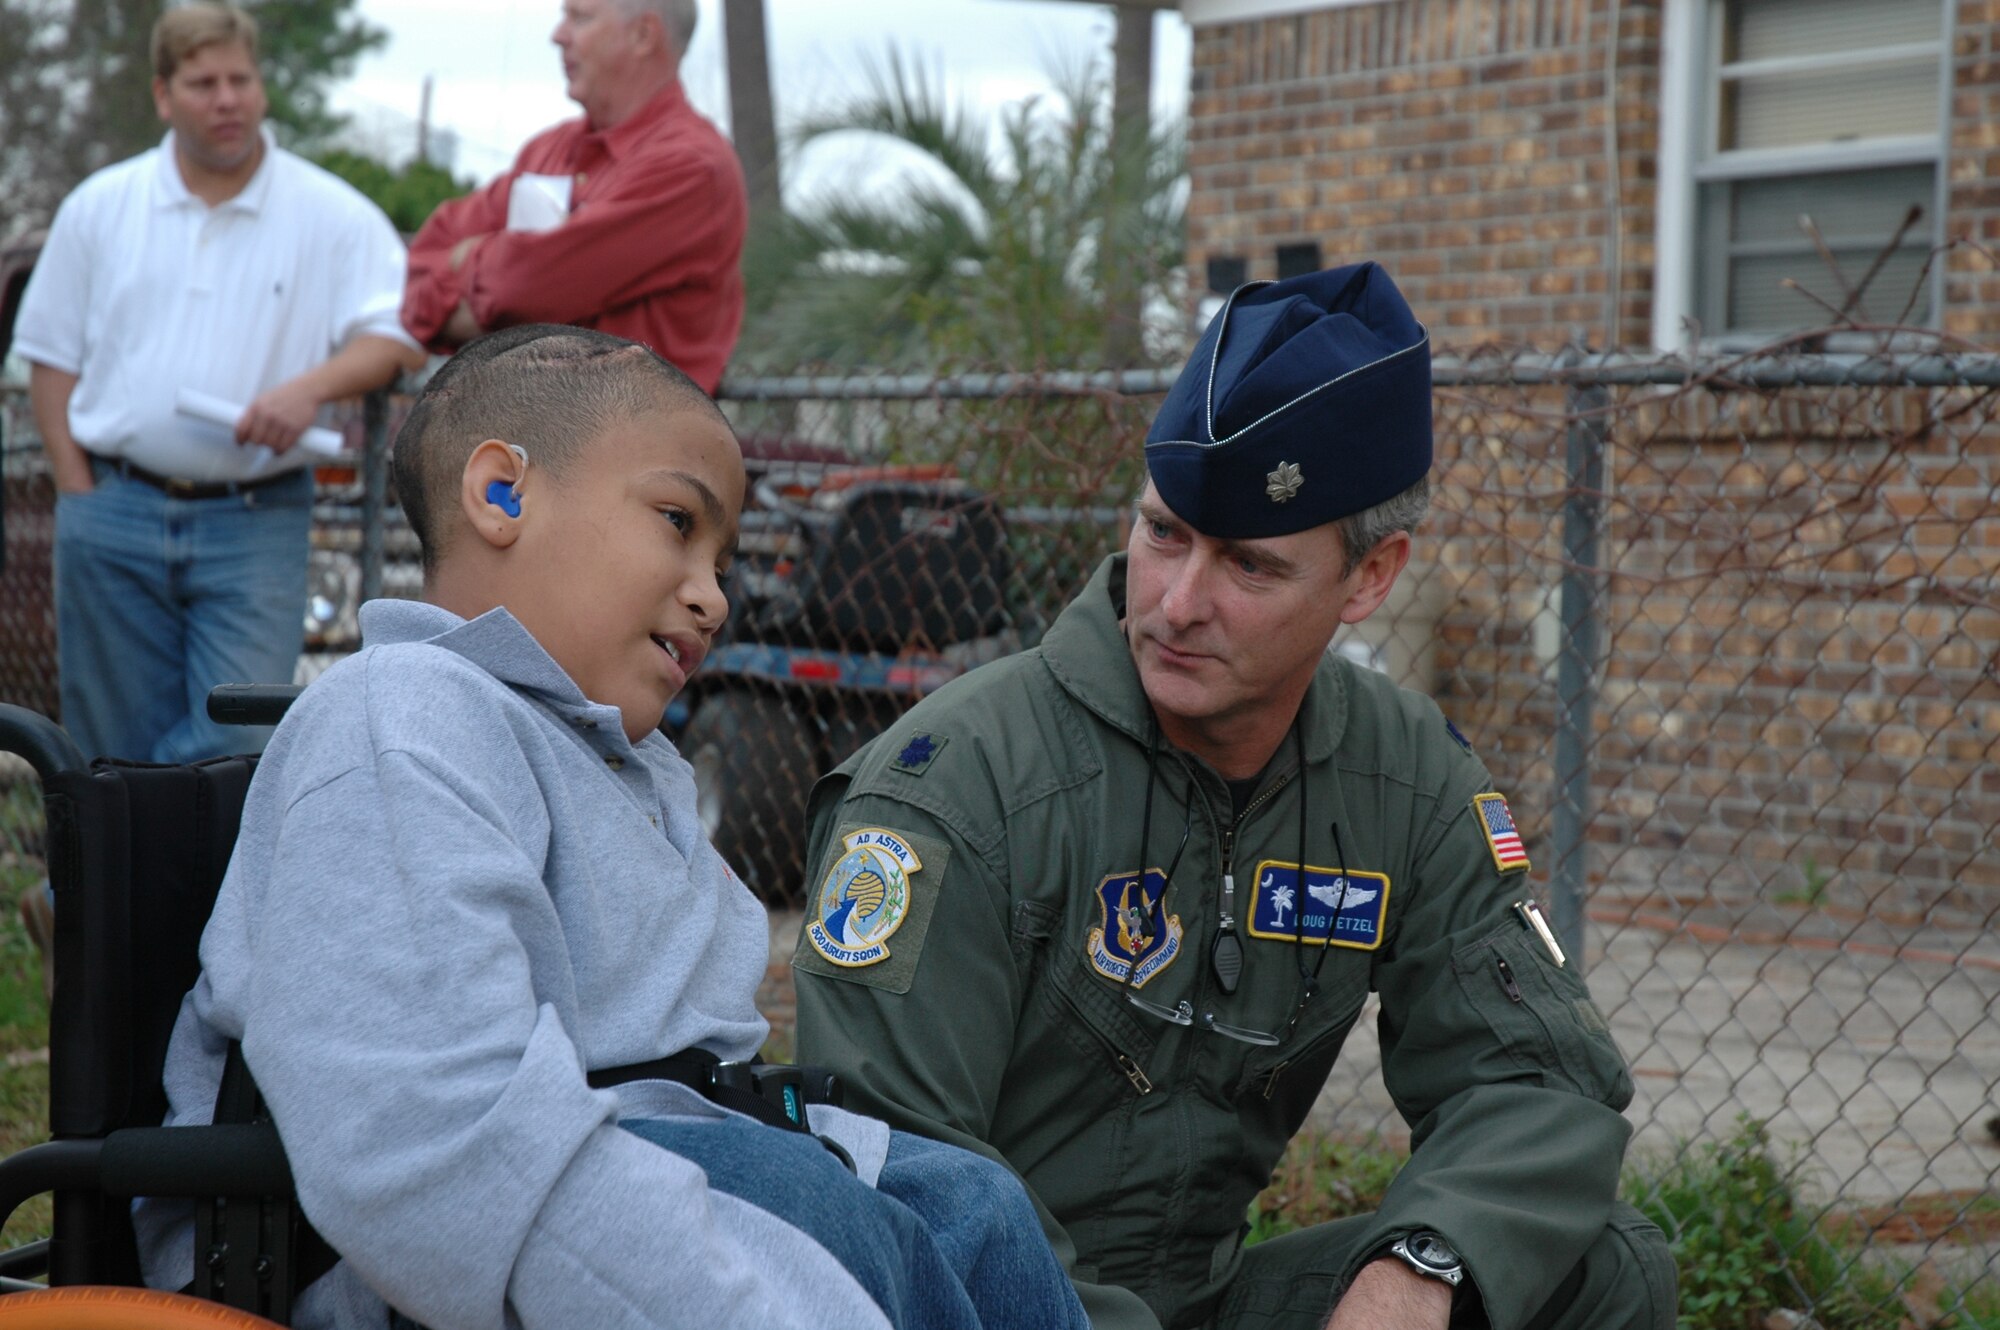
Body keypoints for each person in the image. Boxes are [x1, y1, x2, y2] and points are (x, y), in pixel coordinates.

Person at [136, 325, 1091, 1330]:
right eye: (677, 521)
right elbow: (441, 1142)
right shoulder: (402, 721)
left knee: (974, 1208)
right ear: (501, 494)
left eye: (723, 558)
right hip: (471, 1261)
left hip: (673, 1172)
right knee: (845, 1228)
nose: (714, 594)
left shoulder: (616, 765)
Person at [791, 264, 1678, 1330]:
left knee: (1600, 1264)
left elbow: (1537, 1081)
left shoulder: (1400, 777)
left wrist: (1422, 1267)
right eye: (1162, 532)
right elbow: (901, 1179)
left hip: (1203, 1302)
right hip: (986, 1303)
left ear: (1368, 576)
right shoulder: (955, 787)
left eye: (1247, 566)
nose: (1175, 602)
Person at [11, 2, 423, 766]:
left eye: (241, 78)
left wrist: (309, 389)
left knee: (240, 736)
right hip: (113, 510)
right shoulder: (100, 207)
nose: (227, 98)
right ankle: (104, 887)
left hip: (256, 519)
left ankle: (182, 871)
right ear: (164, 95)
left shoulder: (331, 214)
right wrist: (79, 491)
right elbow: (50, 357)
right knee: (106, 751)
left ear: (263, 87)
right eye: (203, 82)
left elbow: (398, 334)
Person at [400, 0, 745, 393]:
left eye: (579, 18)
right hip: (523, 436)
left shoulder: (693, 168)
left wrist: (469, 259)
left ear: (644, 35)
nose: (557, 35)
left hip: (628, 446)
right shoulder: (548, 150)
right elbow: (417, 276)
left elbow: (519, 288)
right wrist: (510, 274)